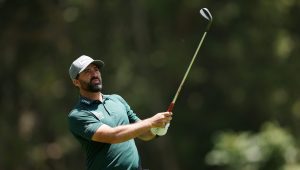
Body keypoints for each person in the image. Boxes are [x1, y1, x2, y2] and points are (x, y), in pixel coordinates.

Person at [68, 55, 173, 170]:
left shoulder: (116, 99)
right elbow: (113, 136)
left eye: (96, 69)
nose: (94, 74)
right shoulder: (78, 114)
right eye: (87, 71)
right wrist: (151, 122)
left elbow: (143, 133)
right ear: (76, 82)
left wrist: (158, 129)